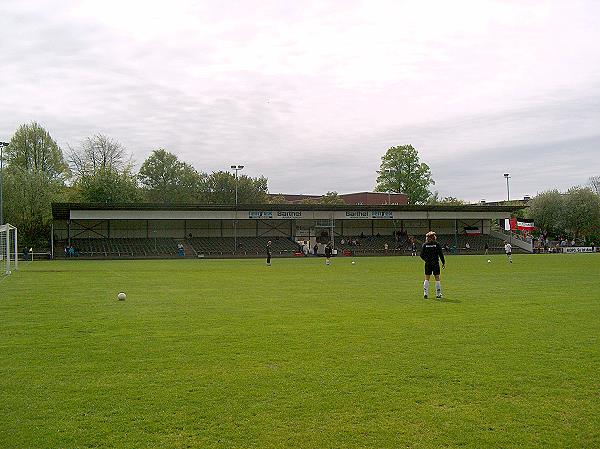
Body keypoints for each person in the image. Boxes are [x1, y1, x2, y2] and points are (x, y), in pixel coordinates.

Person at [420, 231, 445, 299]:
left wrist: (426, 260)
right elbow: (441, 254)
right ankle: (438, 294)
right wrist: (443, 262)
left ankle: (425, 293)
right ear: (434, 237)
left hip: (428, 264)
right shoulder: (437, 244)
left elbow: (421, 255)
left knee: (427, 278)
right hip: (435, 263)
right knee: (437, 278)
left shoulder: (425, 245)